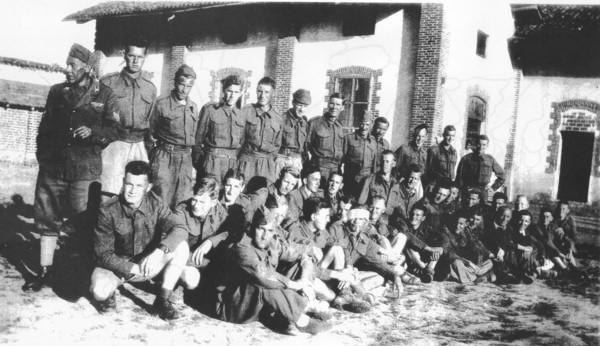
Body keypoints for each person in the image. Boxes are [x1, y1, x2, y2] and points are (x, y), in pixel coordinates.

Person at [24, 43, 109, 292]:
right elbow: (44, 129)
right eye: (67, 64)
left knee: (82, 222)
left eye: (72, 65)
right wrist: (44, 158)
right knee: (46, 219)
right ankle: (44, 272)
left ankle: (77, 275)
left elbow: (116, 129)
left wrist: (94, 132)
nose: (67, 69)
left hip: (83, 172)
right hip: (53, 169)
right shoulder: (56, 91)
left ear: (87, 68)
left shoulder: (102, 94)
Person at [89, 161, 191, 319]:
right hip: (119, 267)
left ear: (148, 187)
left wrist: (159, 252)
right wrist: (132, 268)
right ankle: (111, 294)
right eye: (129, 184)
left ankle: (163, 299)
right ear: (123, 182)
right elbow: (102, 255)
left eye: (138, 186)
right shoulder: (108, 210)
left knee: (181, 247)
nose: (132, 190)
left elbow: (180, 229)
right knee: (99, 291)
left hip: (149, 263)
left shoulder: (156, 204)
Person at [213, 208, 332, 334]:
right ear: (252, 228)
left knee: (297, 266)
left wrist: (304, 279)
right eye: (261, 229)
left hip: (255, 307)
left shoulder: (272, 242)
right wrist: (296, 285)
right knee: (262, 282)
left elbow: (302, 252)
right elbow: (262, 275)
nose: (265, 236)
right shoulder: (242, 247)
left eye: (269, 231)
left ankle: (290, 316)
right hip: (232, 307)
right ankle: (301, 319)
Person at [99, 42, 157, 197]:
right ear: (124, 54)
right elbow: (97, 117)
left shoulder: (150, 88)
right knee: (110, 191)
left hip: (138, 145)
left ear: (145, 58)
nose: (135, 61)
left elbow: (150, 121)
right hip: (114, 144)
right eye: (132, 56)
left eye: (140, 57)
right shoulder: (108, 83)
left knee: (136, 192)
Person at [148, 64, 198, 208]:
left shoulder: (193, 107)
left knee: (182, 200)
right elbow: (150, 133)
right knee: (161, 198)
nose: (184, 89)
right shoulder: (161, 104)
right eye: (181, 84)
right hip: (165, 156)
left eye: (189, 86)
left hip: (185, 159)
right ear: (175, 82)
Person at [194, 74, 245, 183]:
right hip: (212, 162)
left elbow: (242, 144)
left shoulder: (241, 115)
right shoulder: (210, 110)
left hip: (232, 164)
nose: (232, 96)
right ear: (223, 91)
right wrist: (201, 165)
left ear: (240, 94)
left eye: (236, 92)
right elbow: (197, 141)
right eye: (230, 91)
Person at [238, 77, 283, 184]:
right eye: (259, 91)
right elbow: (238, 140)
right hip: (247, 162)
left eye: (266, 92)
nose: (262, 95)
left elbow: (277, 145)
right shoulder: (246, 111)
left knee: (263, 195)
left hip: (267, 166)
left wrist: (269, 162)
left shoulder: (278, 118)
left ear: (273, 94)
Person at [441, 212, 494, 284]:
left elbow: (477, 244)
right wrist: (467, 262)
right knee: (457, 263)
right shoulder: (446, 233)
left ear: (466, 225)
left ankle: (474, 273)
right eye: (456, 223)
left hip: (467, 264)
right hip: (454, 262)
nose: (457, 226)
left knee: (489, 262)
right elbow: (449, 253)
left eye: (461, 224)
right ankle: (473, 278)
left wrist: (489, 253)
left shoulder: (466, 232)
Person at [307, 93, 345, 186]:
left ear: (342, 108)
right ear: (328, 104)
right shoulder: (315, 123)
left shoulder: (339, 127)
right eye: (332, 103)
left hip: (335, 170)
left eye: (338, 104)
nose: (334, 107)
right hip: (318, 169)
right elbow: (305, 146)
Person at [402, 204, 446, 283]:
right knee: (409, 246)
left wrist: (438, 249)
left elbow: (440, 241)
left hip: (422, 257)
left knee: (438, 250)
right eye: (412, 214)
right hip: (410, 257)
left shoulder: (427, 230)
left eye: (417, 215)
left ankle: (429, 271)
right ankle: (426, 270)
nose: (413, 217)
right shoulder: (404, 225)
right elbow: (409, 238)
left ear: (423, 218)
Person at [456, 134, 505, 203]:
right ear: (476, 144)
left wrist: (492, 189)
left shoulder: (490, 159)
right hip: (469, 191)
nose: (481, 147)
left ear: (487, 146)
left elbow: (502, 176)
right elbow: (459, 178)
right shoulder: (466, 159)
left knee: (485, 210)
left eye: (484, 145)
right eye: (479, 144)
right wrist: (462, 191)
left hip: (484, 193)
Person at [341, 111, 377, 198]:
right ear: (358, 123)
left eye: (367, 125)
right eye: (362, 124)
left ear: (371, 125)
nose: (364, 127)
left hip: (366, 181)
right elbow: (341, 159)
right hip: (350, 179)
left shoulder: (373, 142)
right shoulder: (349, 138)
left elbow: (374, 165)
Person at [276, 89, 311, 175]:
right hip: (282, 158)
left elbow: (305, 147)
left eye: (305, 106)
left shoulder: (304, 122)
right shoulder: (282, 119)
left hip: (297, 160)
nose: (302, 109)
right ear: (293, 103)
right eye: (299, 105)